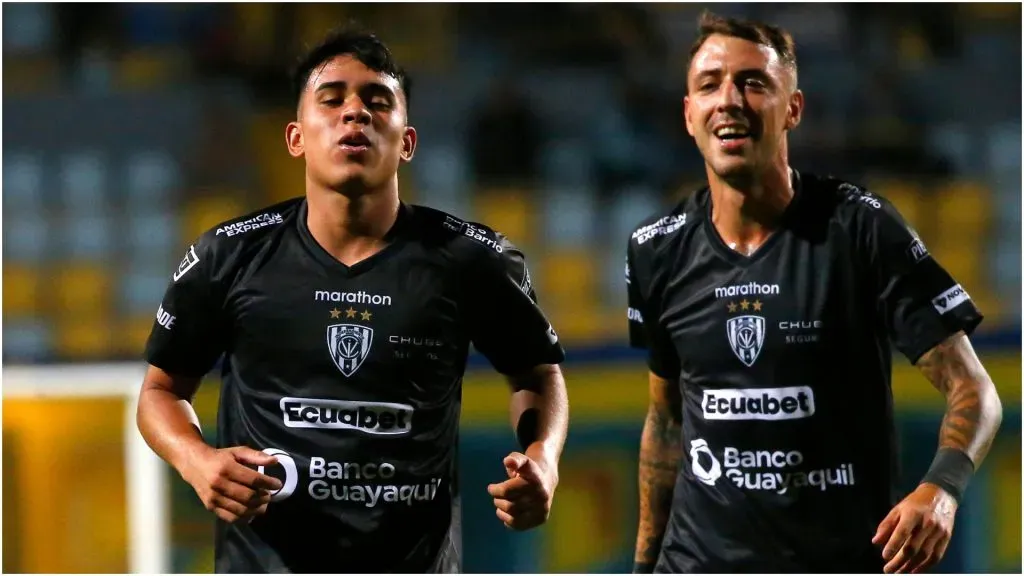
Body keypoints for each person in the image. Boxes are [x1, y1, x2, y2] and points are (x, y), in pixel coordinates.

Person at [137, 26, 569, 574]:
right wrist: (196, 460)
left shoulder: (471, 260)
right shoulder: (229, 255)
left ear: (407, 142)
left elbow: (537, 374)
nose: (355, 113)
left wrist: (543, 458)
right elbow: (160, 391)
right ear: (295, 137)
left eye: (378, 101)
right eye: (332, 99)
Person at [626, 12, 1003, 574]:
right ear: (688, 114)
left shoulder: (861, 230)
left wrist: (941, 489)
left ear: (793, 109)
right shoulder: (656, 249)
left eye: (753, 83)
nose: (729, 100)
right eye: (709, 85)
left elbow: (974, 390)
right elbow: (666, 422)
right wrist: (643, 566)